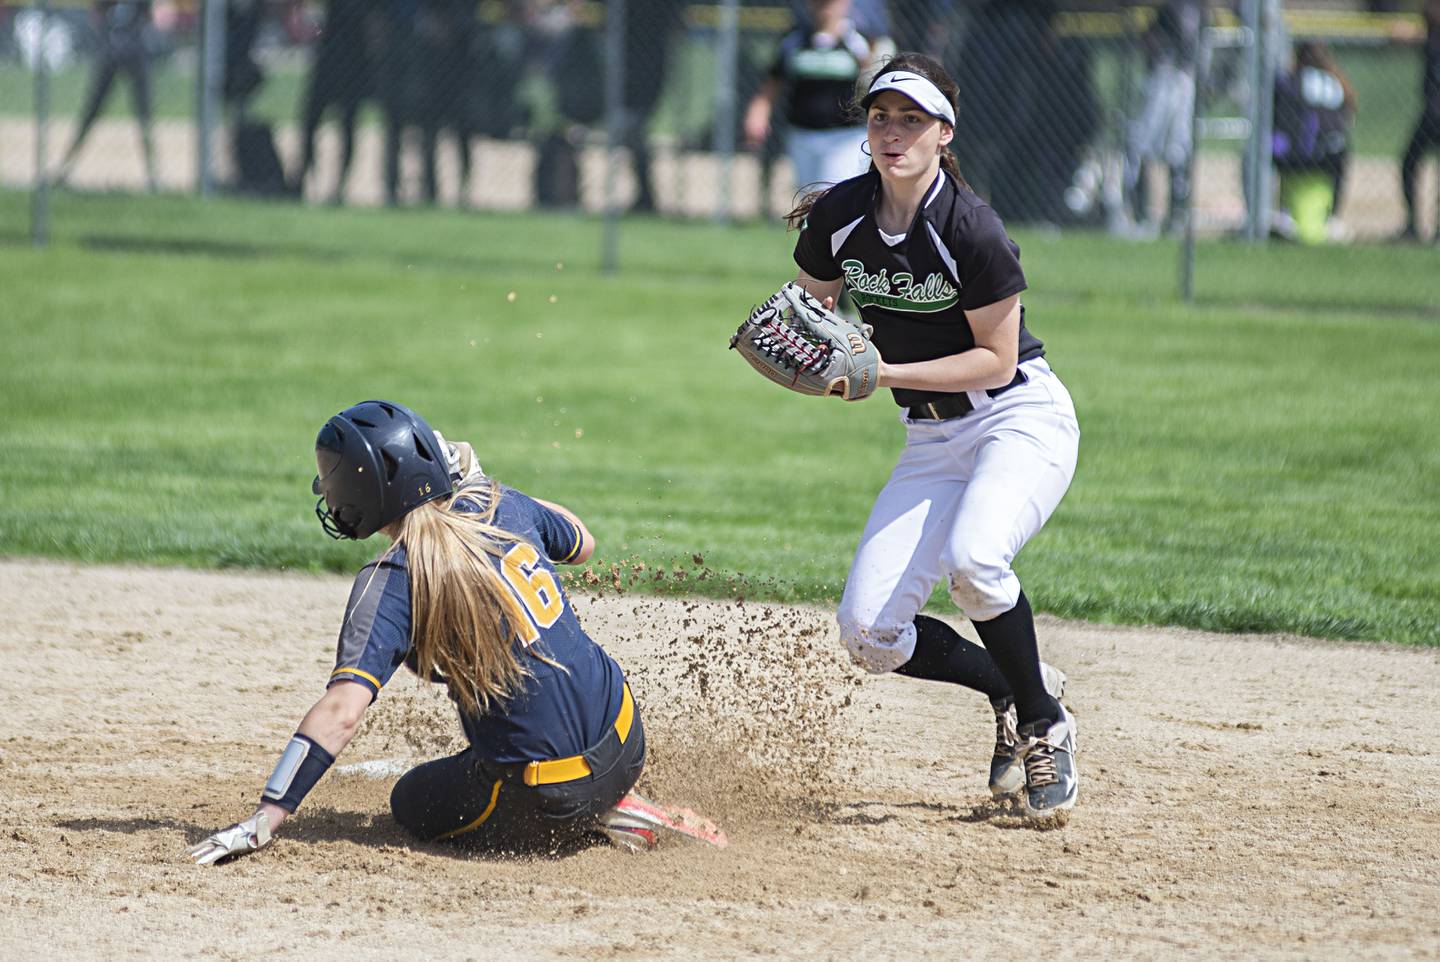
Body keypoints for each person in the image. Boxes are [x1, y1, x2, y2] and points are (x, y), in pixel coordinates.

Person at [187, 400, 685, 862]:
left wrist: (265, 818)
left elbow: (342, 712)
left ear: (359, 496)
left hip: (548, 798)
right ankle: (607, 793)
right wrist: (483, 485)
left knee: (411, 800)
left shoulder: (391, 580)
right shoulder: (500, 504)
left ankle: (598, 817)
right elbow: (582, 544)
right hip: (628, 737)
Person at [781, 53, 1080, 817]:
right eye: (881, 116)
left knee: (976, 561)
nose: (893, 132)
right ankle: (1017, 689)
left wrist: (876, 372)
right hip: (930, 439)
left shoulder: (969, 227)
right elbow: (804, 313)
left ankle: (1046, 724)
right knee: (869, 634)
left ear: (944, 133)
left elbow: (998, 357)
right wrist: (804, 350)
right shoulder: (841, 215)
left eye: (912, 119)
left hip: (1018, 417)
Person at [744, 0, 876, 194]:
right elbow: (772, 83)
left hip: (845, 137)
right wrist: (758, 113)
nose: (824, 7)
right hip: (802, 133)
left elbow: (875, 81)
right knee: (809, 201)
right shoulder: (794, 39)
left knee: (834, 197)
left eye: (830, 3)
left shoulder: (858, 40)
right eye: (819, 2)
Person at [52, 1, 158, 193]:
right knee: (91, 112)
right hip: (111, 54)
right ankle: (65, 168)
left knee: (144, 116)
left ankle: (153, 175)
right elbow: (98, 14)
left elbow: (150, 18)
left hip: (134, 54)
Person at [1271, 41, 1355, 244]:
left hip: (1297, 157)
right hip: (1332, 159)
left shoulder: (1291, 81)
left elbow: (1280, 121)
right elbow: (1347, 120)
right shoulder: (1337, 83)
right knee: (1341, 147)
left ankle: (1283, 211)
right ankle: (1331, 216)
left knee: (1272, 144)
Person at [1399, 0, 1440, 242]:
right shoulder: (1431, 37)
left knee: (1411, 163)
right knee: (1409, 163)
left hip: (1435, 114)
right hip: (1430, 115)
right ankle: (1413, 225)